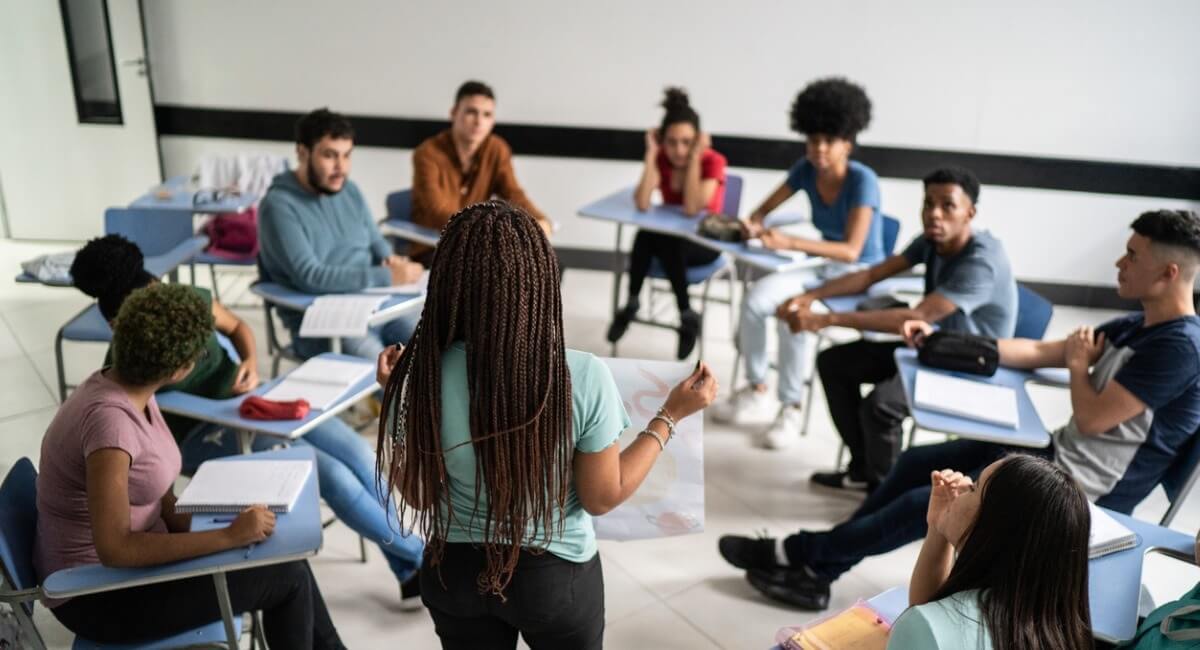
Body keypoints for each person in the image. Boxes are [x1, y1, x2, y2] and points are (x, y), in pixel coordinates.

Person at [718, 209, 1200, 611]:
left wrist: (1078, 367)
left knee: (924, 508)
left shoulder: (1180, 347)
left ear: (1168, 272)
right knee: (915, 465)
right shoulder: (1139, 324)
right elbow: (1036, 352)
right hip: (1055, 457)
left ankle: (804, 557)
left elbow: (1094, 417)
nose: (1119, 262)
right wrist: (948, 340)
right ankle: (821, 562)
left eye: (1132, 255)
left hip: (1082, 493)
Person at [375, 201, 718, 649]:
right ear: (538, 282)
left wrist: (397, 392)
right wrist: (669, 417)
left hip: (452, 574)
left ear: (446, 282)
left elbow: (419, 495)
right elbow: (601, 496)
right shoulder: (582, 375)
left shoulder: (418, 375)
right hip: (553, 581)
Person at [70, 235, 425, 606]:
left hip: (252, 402)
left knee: (356, 451)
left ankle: (411, 568)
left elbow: (239, 327)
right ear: (119, 325)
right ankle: (422, 560)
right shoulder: (127, 370)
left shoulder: (186, 303)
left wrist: (249, 364)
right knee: (329, 474)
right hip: (204, 429)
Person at [34, 283, 346, 649]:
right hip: (99, 594)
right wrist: (229, 537)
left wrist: (220, 526)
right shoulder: (111, 426)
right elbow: (115, 548)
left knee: (285, 555)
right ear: (181, 370)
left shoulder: (127, 386)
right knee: (286, 578)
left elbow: (157, 497)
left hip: (130, 565)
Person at [804, 166, 1015, 484]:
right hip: (932, 344)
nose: (934, 214)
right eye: (928, 203)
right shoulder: (931, 241)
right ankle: (865, 470)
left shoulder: (981, 261)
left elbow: (916, 317)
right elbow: (871, 275)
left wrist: (827, 319)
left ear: (969, 213)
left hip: (969, 364)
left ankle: (881, 497)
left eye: (947, 205)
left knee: (881, 407)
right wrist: (811, 296)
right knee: (833, 362)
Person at [713, 77, 886, 448]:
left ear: (847, 142)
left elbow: (853, 251)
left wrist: (789, 241)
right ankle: (758, 386)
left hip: (859, 276)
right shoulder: (805, 169)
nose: (819, 148)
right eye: (813, 140)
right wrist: (753, 224)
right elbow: (763, 210)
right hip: (822, 265)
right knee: (757, 299)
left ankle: (790, 406)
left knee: (794, 314)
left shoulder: (862, 180)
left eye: (829, 140)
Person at [259, 107, 423, 360]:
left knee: (433, 351)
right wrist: (386, 275)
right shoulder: (278, 206)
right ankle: (394, 400)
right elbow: (310, 276)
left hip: (373, 304)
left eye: (347, 156)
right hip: (320, 321)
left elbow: (374, 238)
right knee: (385, 373)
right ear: (302, 153)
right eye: (330, 156)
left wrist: (389, 259)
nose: (341, 167)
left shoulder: (349, 190)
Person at [887, 455, 1092, 650]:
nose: (963, 486)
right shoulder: (1052, 624)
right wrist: (938, 528)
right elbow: (930, 613)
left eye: (974, 488)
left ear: (994, 528)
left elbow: (926, 628)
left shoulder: (925, 627)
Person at [606, 87, 728, 359]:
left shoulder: (713, 161)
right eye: (671, 142)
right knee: (647, 234)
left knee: (661, 239)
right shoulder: (661, 157)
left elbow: (692, 208)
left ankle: (679, 313)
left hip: (705, 243)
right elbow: (642, 202)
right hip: (671, 243)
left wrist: (696, 158)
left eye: (686, 142)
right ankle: (654, 307)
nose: (678, 150)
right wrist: (651, 154)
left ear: (697, 140)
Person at [410, 80, 553, 262]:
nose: (479, 121)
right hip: (436, 244)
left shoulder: (496, 149)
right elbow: (436, 210)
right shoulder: (428, 153)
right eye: (471, 112)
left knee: (549, 263)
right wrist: (487, 233)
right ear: (454, 113)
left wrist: (538, 221)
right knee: (496, 272)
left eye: (487, 115)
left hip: (478, 244)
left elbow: (513, 193)